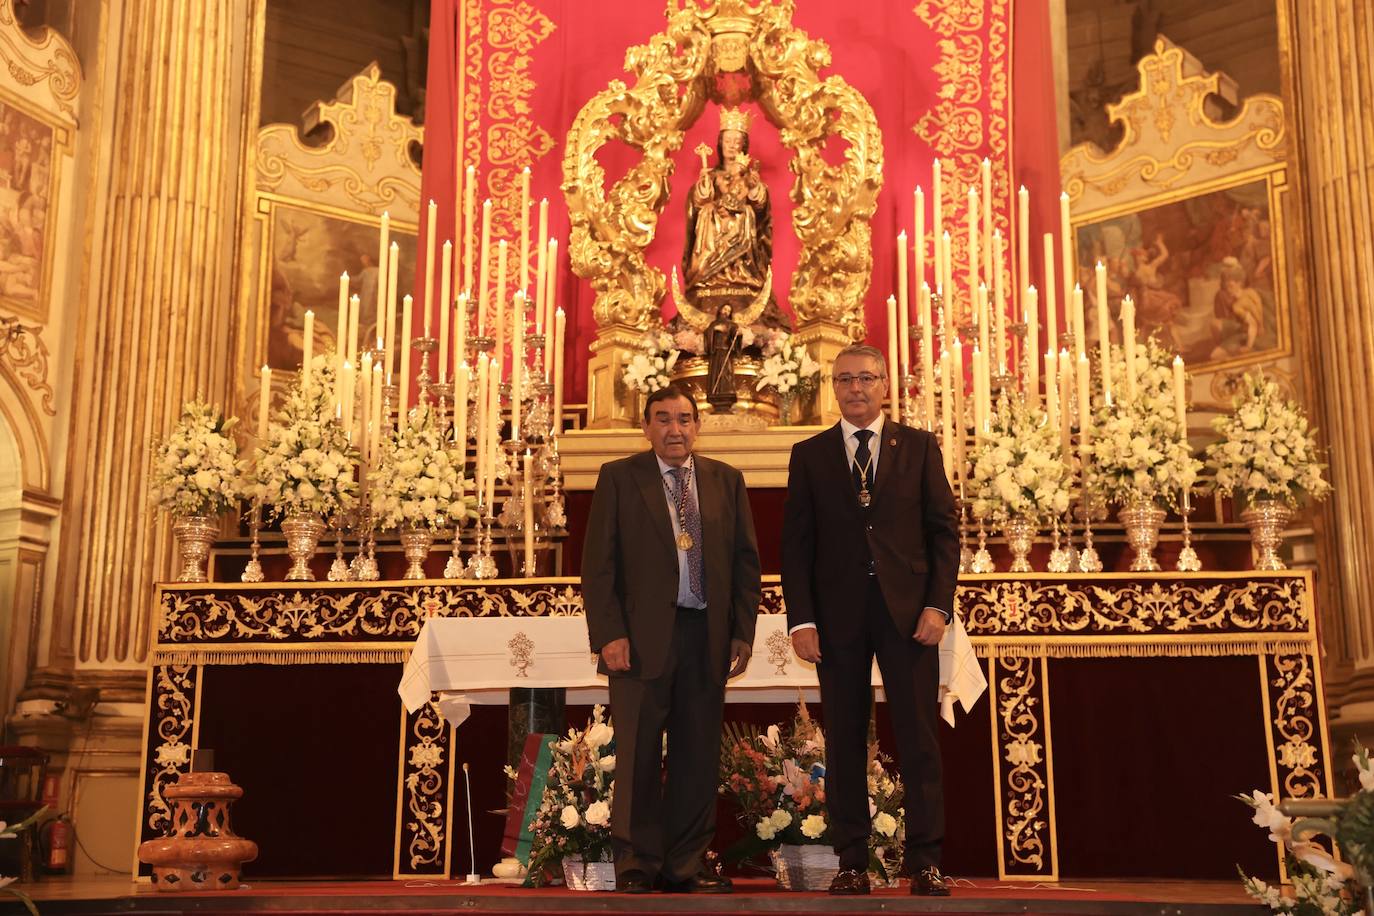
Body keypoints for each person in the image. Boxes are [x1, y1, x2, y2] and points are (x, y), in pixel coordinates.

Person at [781, 344, 960, 897]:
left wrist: (938, 606)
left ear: (885, 384)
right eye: (844, 380)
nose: (855, 388)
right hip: (837, 620)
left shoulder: (920, 447)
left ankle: (925, 861)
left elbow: (943, 533)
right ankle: (852, 860)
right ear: (833, 388)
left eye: (866, 378)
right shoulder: (809, 454)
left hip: (909, 615)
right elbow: (797, 545)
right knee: (844, 739)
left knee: (918, 737)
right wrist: (801, 620)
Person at [581, 383, 762, 894]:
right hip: (638, 642)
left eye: (684, 419)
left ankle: (687, 865)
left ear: (697, 426)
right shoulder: (619, 478)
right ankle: (636, 868)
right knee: (637, 755)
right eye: (663, 419)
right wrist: (609, 634)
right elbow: (599, 566)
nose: (674, 429)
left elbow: (747, 566)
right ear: (646, 426)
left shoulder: (726, 480)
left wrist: (741, 635)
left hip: (706, 636)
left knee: (697, 756)